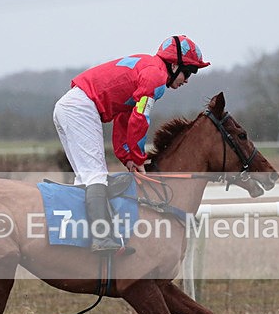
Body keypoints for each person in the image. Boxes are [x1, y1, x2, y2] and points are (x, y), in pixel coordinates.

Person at [53, 35, 210, 252]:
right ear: (174, 65)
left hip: (71, 106)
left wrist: (127, 156)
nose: (188, 79)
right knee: (95, 176)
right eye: (189, 71)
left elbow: (123, 119)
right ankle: (102, 238)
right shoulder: (155, 77)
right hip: (80, 108)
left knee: (86, 178)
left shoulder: (149, 68)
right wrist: (137, 156)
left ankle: (81, 238)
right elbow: (140, 119)